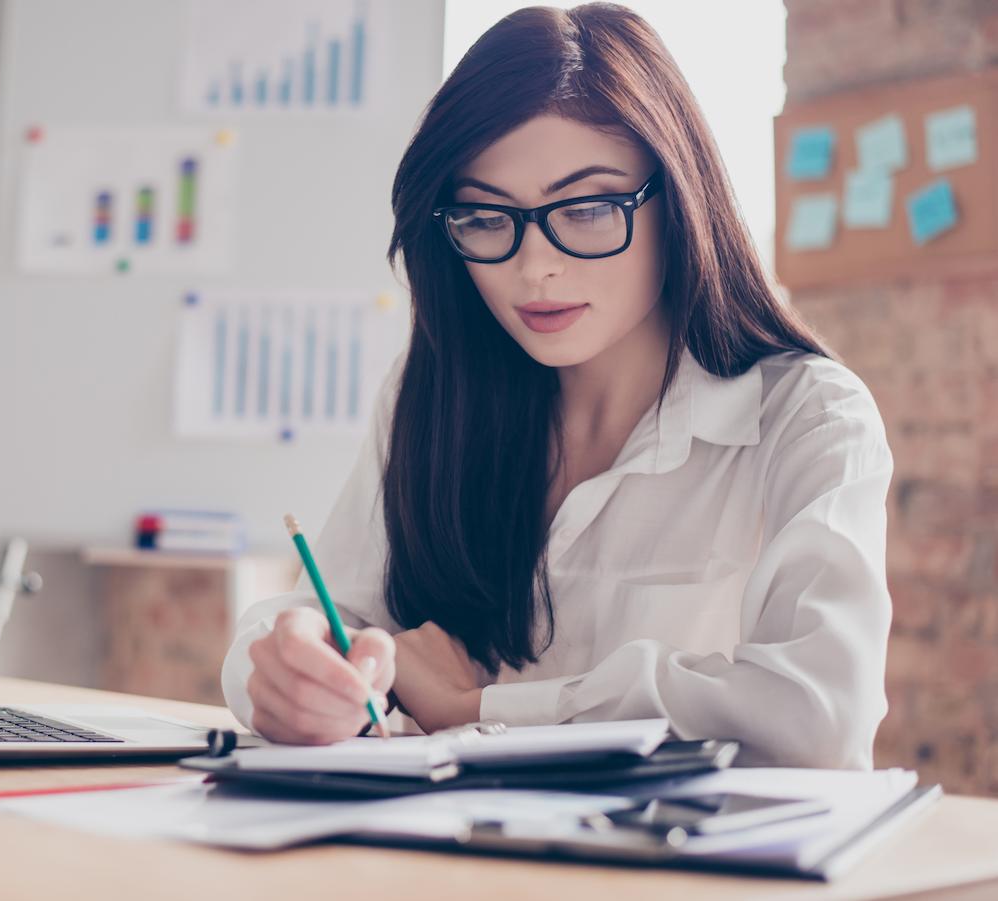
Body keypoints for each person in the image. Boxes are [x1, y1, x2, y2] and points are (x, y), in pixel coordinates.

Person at [221, 3, 893, 768]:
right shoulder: (432, 394)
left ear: (677, 200)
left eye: (587, 208)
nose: (533, 266)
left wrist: (482, 712)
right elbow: (330, 615)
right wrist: (280, 669)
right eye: (484, 216)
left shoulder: (808, 417)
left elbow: (818, 715)